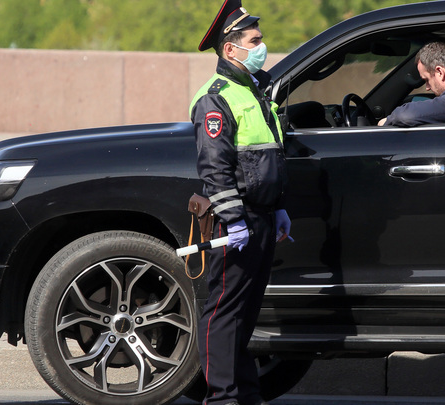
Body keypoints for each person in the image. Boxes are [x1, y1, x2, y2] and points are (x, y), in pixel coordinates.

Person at [188, 1, 290, 404]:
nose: (263, 46)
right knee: (223, 314)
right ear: (231, 49)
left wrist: (278, 206)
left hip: (261, 217)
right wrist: (233, 219)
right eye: (255, 41)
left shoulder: (254, 90)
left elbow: (267, 154)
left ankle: (245, 394)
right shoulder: (216, 98)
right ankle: (222, 397)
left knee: (245, 314)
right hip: (239, 219)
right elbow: (216, 167)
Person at [379, 42, 445, 127]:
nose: (427, 88)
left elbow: (406, 115)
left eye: (427, 80)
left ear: (440, 72)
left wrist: (387, 121)